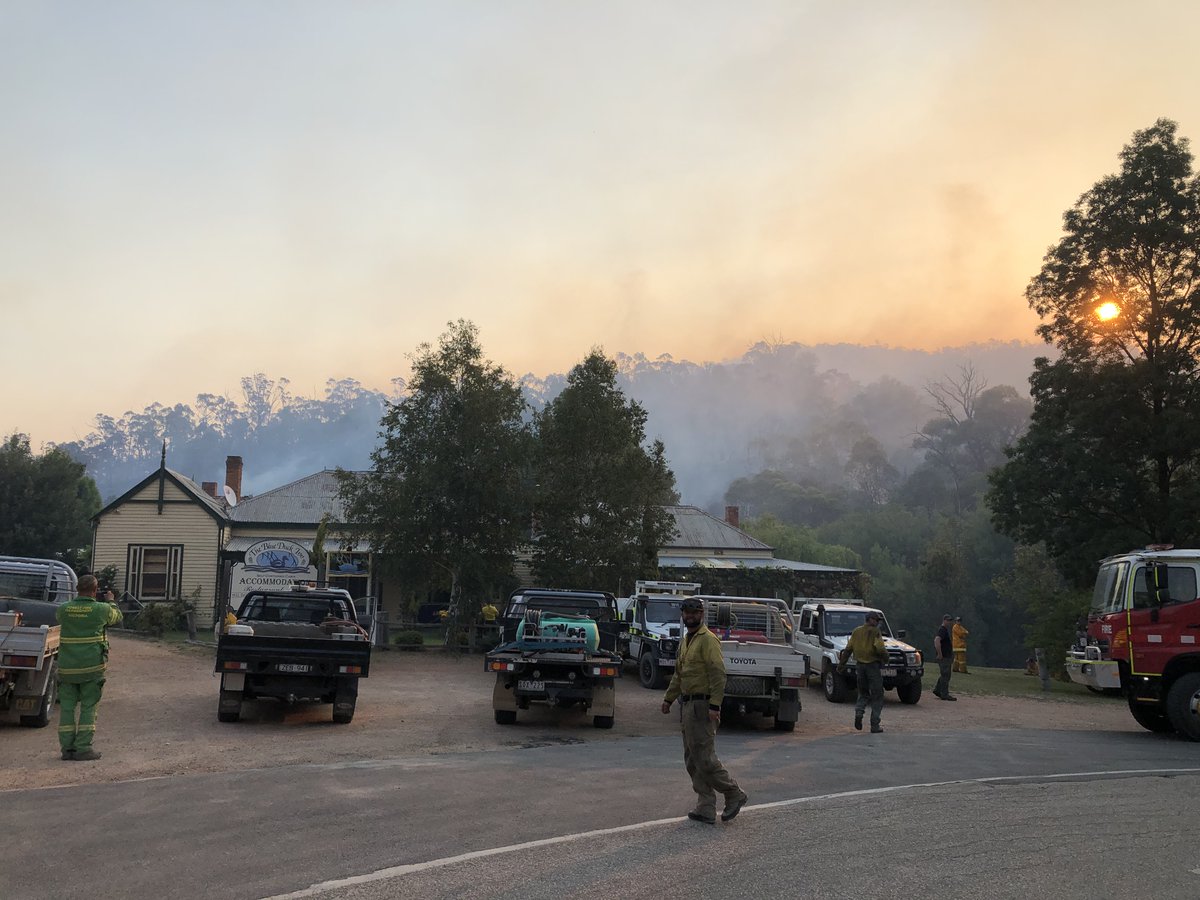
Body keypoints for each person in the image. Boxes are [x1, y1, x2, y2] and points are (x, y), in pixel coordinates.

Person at [661, 597, 747, 825]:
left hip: (702, 706)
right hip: (687, 705)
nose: (690, 616)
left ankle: (733, 793)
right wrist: (668, 699)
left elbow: (718, 674)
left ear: (701, 614)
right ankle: (706, 806)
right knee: (692, 759)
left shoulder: (708, 640)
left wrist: (715, 706)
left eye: (694, 612)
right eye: (686, 612)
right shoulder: (686, 640)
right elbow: (679, 675)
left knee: (705, 758)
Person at [56, 574, 123, 761]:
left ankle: (67, 749)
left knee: (67, 709)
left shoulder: (63, 609)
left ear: (77, 589)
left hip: (67, 668)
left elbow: (60, 618)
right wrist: (111, 601)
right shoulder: (101, 609)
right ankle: (83, 748)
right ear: (95, 590)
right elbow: (116, 616)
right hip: (92, 668)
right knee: (88, 707)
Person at [837, 610, 888, 733]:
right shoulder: (875, 632)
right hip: (872, 667)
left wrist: (841, 665)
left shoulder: (856, 631)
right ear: (870, 619)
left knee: (863, 693)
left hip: (859, 667)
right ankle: (875, 725)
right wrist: (886, 658)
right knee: (877, 695)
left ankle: (859, 713)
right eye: (876, 620)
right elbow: (880, 648)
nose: (877, 623)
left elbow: (848, 649)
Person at [933, 614, 957, 701]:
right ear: (944, 620)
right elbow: (936, 641)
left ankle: (937, 690)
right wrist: (940, 654)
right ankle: (944, 694)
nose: (949, 622)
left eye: (950, 620)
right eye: (948, 620)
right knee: (945, 675)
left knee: (945, 674)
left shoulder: (945, 630)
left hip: (947, 656)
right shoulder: (942, 630)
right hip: (944, 656)